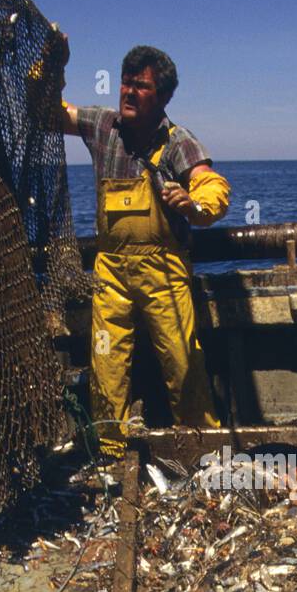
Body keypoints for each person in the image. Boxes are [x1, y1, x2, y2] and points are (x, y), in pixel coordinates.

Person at [60, 45, 231, 458]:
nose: (129, 92)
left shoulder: (178, 142)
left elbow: (212, 185)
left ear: (163, 97)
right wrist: (50, 69)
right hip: (110, 270)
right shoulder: (103, 127)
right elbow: (47, 112)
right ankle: (110, 451)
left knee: (182, 360)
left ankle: (200, 448)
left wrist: (195, 205)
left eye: (142, 86)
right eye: (126, 83)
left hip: (164, 270)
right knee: (107, 361)